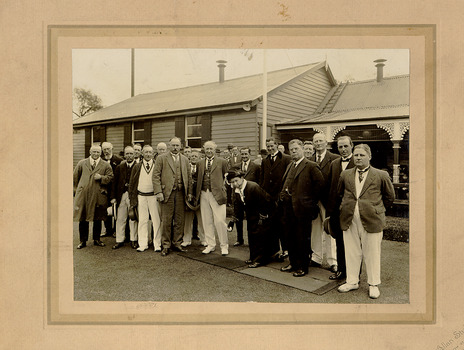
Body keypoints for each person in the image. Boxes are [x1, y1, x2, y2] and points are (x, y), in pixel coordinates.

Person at [337, 144, 395, 299]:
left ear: (369, 156)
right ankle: (352, 281)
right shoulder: (345, 174)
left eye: (362, 155)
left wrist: (376, 209)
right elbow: (339, 193)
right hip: (349, 218)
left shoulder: (381, 175)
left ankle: (373, 284)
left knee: (372, 252)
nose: (358, 158)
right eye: (356, 155)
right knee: (351, 250)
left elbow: (390, 197)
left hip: (372, 219)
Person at [279, 139, 325, 277]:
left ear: (302, 149)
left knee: (302, 239)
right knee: (290, 237)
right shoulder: (290, 165)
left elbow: (320, 186)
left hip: (303, 210)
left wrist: (309, 203)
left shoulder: (311, 166)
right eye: (291, 149)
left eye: (296, 149)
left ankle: (303, 267)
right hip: (288, 209)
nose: (293, 151)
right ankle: (293, 263)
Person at [227, 170, 279, 268]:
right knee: (251, 235)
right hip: (252, 215)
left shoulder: (253, 187)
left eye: (236, 181)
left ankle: (260, 260)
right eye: (232, 182)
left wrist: (264, 216)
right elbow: (238, 206)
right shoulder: (237, 190)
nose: (234, 184)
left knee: (260, 236)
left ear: (242, 178)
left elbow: (266, 201)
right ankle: (253, 257)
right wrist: (233, 220)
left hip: (264, 213)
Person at [153, 137, 193, 256]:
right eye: (173, 145)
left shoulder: (185, 159)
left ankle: (177, 243)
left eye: (177, 145)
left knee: (179, 219)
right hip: (167, 194)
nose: (175, 148)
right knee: (166, 220)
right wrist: (159, 192)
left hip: (181, 193)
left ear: (181, 146)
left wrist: (189, 192)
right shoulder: (161, 158)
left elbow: (189, 177)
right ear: (169, 146)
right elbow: (155, 176)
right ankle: (166, 245)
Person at [325, 136, 356, 281]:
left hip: (353, 211)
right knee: (339, 242)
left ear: (352, 146)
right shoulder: (334, 164)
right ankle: (341, 271)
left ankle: (354, 274)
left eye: (346, 146)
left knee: (354, 244)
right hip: (336, 211)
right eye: (340, 147)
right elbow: (330, 189)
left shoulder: (358, 162)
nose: (343, 150)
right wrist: (329, 212)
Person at [309, 133, 340, 271]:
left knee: (329, 229)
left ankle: (333, 261)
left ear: (326, 142)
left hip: (328, 201)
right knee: (315, 230)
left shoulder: (334, 159)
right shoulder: (309, 159)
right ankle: (316, 257)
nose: (318, 143)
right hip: (314, 201)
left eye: (321, 140)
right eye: (316, 141)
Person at [73, 145, 113, 249]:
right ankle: (83, 240)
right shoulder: (82, 163)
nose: (96, 154)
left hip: (98, 195)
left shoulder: (105, 165)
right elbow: (75, 178)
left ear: (101, 153)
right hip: (84, 196)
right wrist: (79, 190)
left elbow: (110, 178)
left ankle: (97, 239)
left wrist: (101, 178)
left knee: (98, 218)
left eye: (98, 152)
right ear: (90, 152)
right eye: (94, 151)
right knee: (83, 218)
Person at [195, 140, 230, 255]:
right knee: (206, 220)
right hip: (204, 193)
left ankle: (224, 246)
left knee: (220, 221)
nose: (209, 151)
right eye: (207, 149)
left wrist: (224, 190)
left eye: (211, 149)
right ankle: (211, 244)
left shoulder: (222, 162)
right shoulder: (200, 163)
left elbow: (227, 178)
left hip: (218, 195)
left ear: (215, 150)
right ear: (204, 150)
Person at [259, 137, 292, 259]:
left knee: (283, 224)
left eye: (272, 146)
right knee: (271, 225)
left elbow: (289, 178)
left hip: (281, 197)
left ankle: (286, 249)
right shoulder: (265, 160)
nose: (270, 148)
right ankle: (274, 249)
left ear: (277, 145)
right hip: (269, 198)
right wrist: (263, 194)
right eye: (268, 146)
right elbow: (262, 179)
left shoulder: (286, 159)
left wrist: (283, 195)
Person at [128, 145, 162, 252]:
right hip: (141, 196)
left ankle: (157, 244)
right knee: (142, 220)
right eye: (146, 152)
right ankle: (143, 243)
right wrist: (132, 198)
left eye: (150, 152)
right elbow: (132, 183)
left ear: (153, 154)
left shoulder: (157, 165)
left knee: (156, 221)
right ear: (142, 153)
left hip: (153, 196)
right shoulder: (137, 166)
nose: (148, 154)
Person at [232, 147, 260, 247]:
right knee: (238, 218)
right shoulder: (236, 166)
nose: (244, 156)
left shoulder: (256, 167)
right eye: (242, 154)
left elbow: (258, 182)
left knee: (251, 219)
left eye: (246, 154)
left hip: (251, 198)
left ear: (250, 154)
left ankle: (251, 240)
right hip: (238, 196)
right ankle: (240, 239)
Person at [111, 146, 138, 250]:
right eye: (127, 154)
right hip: (121, 195)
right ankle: (119, 240)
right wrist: (113, 197)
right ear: (124, 155)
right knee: (120, 219)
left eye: (131, 154)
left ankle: (133, 240)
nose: (129, 156)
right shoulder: (119, 167)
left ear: (134, 155)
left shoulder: (138, 166)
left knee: (133, 218)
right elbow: (114, 183)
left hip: (133, 196)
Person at [182, 151, 205, 247]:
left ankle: (204, 239)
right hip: (188, 197)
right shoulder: (186, 167)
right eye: (192, 156)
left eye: (196, 156)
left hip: (200, 197)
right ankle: (186, 239)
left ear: (199, 157)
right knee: (187, 220)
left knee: (201, 220)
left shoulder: (201, 168)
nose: (194, 158)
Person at [101, 142, 123, 238]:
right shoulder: (100, 161)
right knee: (105, 210)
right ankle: (108, 230)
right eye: (104, 149)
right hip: (104, 190)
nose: (106, 151)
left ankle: (116, 231)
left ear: (112, 148)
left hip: (116, 189)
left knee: (116, 211)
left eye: (108, 149)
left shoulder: (119, 160)